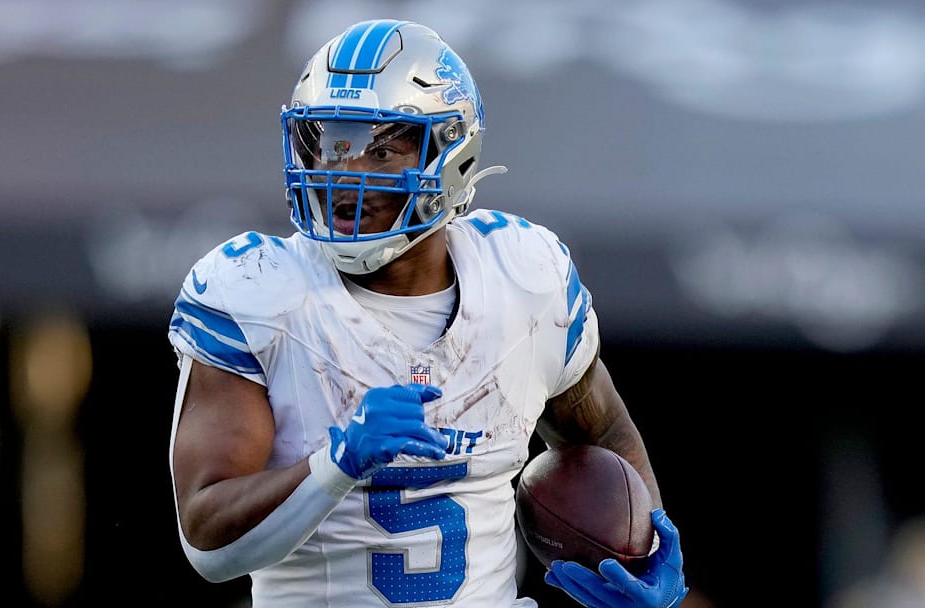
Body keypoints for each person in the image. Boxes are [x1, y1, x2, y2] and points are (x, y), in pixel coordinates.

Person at [167, 18, 688, 608]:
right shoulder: (260, 292)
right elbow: (209, 548)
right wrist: (335, 465)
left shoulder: (524, 279)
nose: (345, 174)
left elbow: (606, 432)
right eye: (330, 144)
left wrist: (643, 554)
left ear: (452, 156)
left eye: (381, 149)